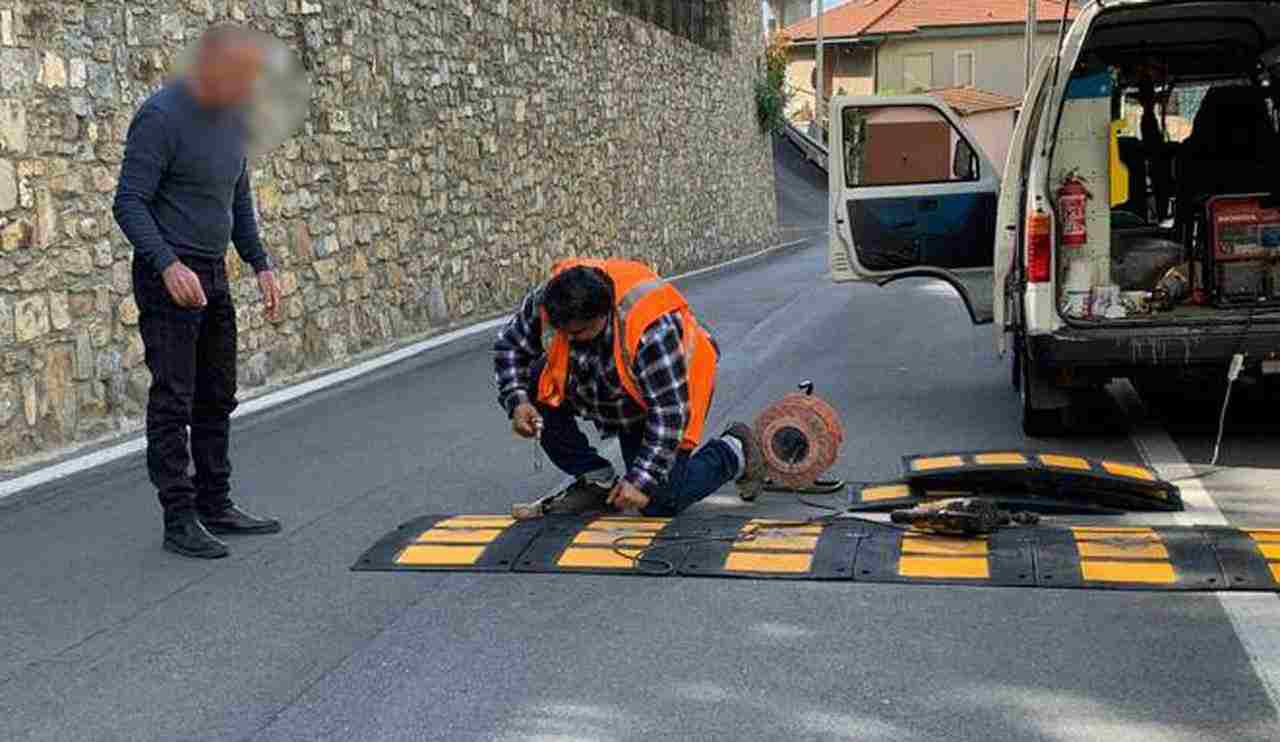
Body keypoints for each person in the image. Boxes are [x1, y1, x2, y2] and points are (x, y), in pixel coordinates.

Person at [113, 25, 284, 559]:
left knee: (217, 393)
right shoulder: (161, 116)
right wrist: (166, 264)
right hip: (169, 280)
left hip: (213, 274)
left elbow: (237, 203)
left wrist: (260, 264)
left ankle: (215, 502)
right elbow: (129, 202)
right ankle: (179, 518)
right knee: (174, 397)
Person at [493, 258, 765, 517]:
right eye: (560, 330)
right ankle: (596, 481)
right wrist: (517, 401)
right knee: (531, 383)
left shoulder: (650, 329)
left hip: (670, 393)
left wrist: (641, 479)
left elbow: (668, 414)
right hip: (610, 385)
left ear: (604, 314)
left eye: (577, 333)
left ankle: (734, 449)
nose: (566, 339)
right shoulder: (550, 299)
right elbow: (509, 347)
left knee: (658, 501)